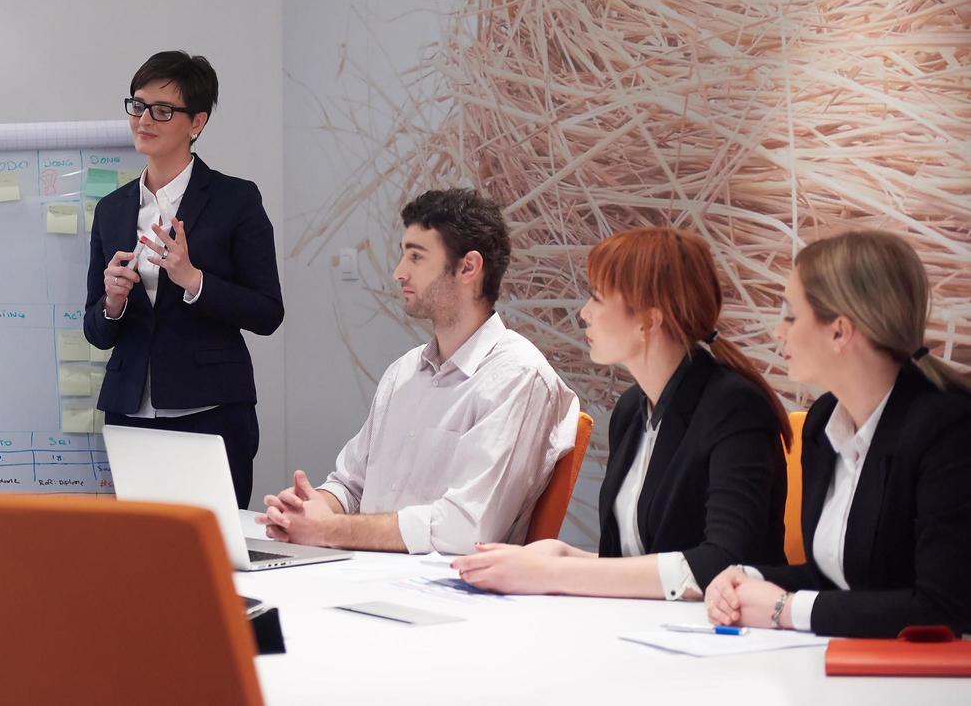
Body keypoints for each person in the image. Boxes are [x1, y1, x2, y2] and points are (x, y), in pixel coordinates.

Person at [452, 227, 789, 598]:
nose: (584, 313)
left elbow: (723, 563)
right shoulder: (632, 410)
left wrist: (555, 571)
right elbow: (637, 559)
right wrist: (561, 555)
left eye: (597, 298)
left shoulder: (735, 408)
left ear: (649, 320)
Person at [258, 188, 578, 554]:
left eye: (416, 257)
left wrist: (330, 530)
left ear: (468, 267)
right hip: (360, 570)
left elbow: (466, 530)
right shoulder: (404, 372)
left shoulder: (518, 377)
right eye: (402, 255)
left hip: (447, 591)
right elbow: (349, 485)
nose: (398, 273)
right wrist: (308, 509)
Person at [705, 230, 971, 637]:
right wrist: (744, 576)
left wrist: (786, 609)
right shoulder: (824, 421)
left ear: (840, 331)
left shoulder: (948, 430)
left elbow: (942, 607)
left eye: (791, 316)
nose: (779, 331)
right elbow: (839, 576)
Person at [84, 50, 283, 507]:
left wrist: (194, 279)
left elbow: (268, 311)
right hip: (130, 412)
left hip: (209, 411)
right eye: (137, 106)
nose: (144, 120)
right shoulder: (112, 209)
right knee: (140, 557)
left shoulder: (235, 199)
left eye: (162, 110)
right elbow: (95, 330)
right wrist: (111, 302)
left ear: (197, 122)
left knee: (214, 552)